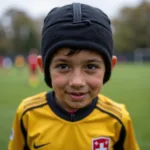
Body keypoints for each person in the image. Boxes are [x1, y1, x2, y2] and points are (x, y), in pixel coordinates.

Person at [8, 3, 139, 150]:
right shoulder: (27, 114)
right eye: (63, 66)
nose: (77, 82)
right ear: (44, 67)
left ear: (110, 67)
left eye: (90, 67)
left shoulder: (119, 119)